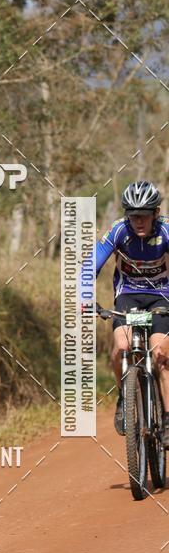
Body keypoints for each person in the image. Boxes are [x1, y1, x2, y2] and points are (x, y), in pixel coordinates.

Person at [94, 181, 169, 443]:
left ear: (155, 214)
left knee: (160, 354)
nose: (138, 221)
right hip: (127, 296)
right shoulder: (118, 231)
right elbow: (90, 265)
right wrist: (83, 297)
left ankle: (168, 420)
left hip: (161, 296)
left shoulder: (167, 230)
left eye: (144, 215)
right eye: (133, 215)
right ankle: (123, 397)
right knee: (121, 347)